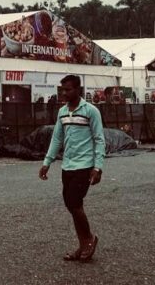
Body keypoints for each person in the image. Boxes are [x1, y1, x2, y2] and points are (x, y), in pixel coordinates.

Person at [39, 74, 105, 262]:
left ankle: (90, 239)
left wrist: (98, 167)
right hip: (67, 165)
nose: (64, 93)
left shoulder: (91, 111)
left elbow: (99, 139)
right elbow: (57, 138)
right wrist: (47, 162)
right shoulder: (62, 112)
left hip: (84, 166)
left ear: (78, 90)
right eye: (63, 90)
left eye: (68, 90)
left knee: (74, 203)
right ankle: (83, 245)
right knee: (71, 204)